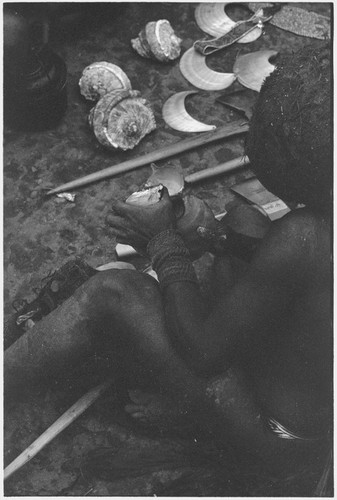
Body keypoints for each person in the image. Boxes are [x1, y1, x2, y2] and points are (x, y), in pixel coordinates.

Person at [4, 41, 332, 488]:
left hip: (272, 434)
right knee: (243, 221)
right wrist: (215, 240)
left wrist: (163, 241)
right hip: (308, 406)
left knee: (116, 293)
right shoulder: (314, 228)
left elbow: (205, 353)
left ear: (283, 151)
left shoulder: (305, 237)